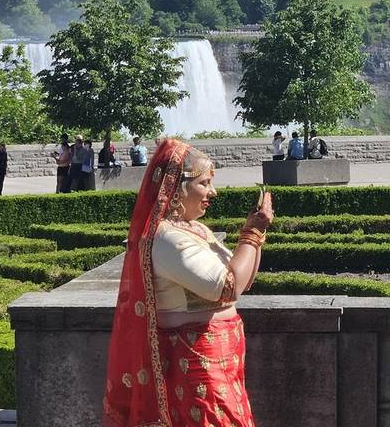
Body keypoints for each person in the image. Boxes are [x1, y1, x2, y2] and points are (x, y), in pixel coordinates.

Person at [103, 139, 274, 427]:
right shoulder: (168, 238)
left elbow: (244, 281)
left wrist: (256, 234)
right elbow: (227, 287)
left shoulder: (194, 229)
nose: (213, 192)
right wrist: (252, 233)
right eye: (204, 183)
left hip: (220, 362)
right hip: (197, 367)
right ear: (178, 188)